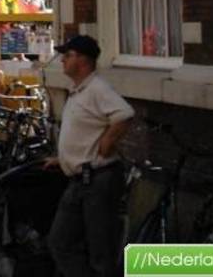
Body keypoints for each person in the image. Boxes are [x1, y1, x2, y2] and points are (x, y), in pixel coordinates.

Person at [44, 35, 134, 277]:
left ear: (83, 60)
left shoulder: (97, 88)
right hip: (80, 178)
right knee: (60, 242)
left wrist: (106, 143)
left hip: (98, 179)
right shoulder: (79, 90)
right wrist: (62, 158)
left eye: (68, 55)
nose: (62, 60)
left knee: (100, 252)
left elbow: (124, 114)